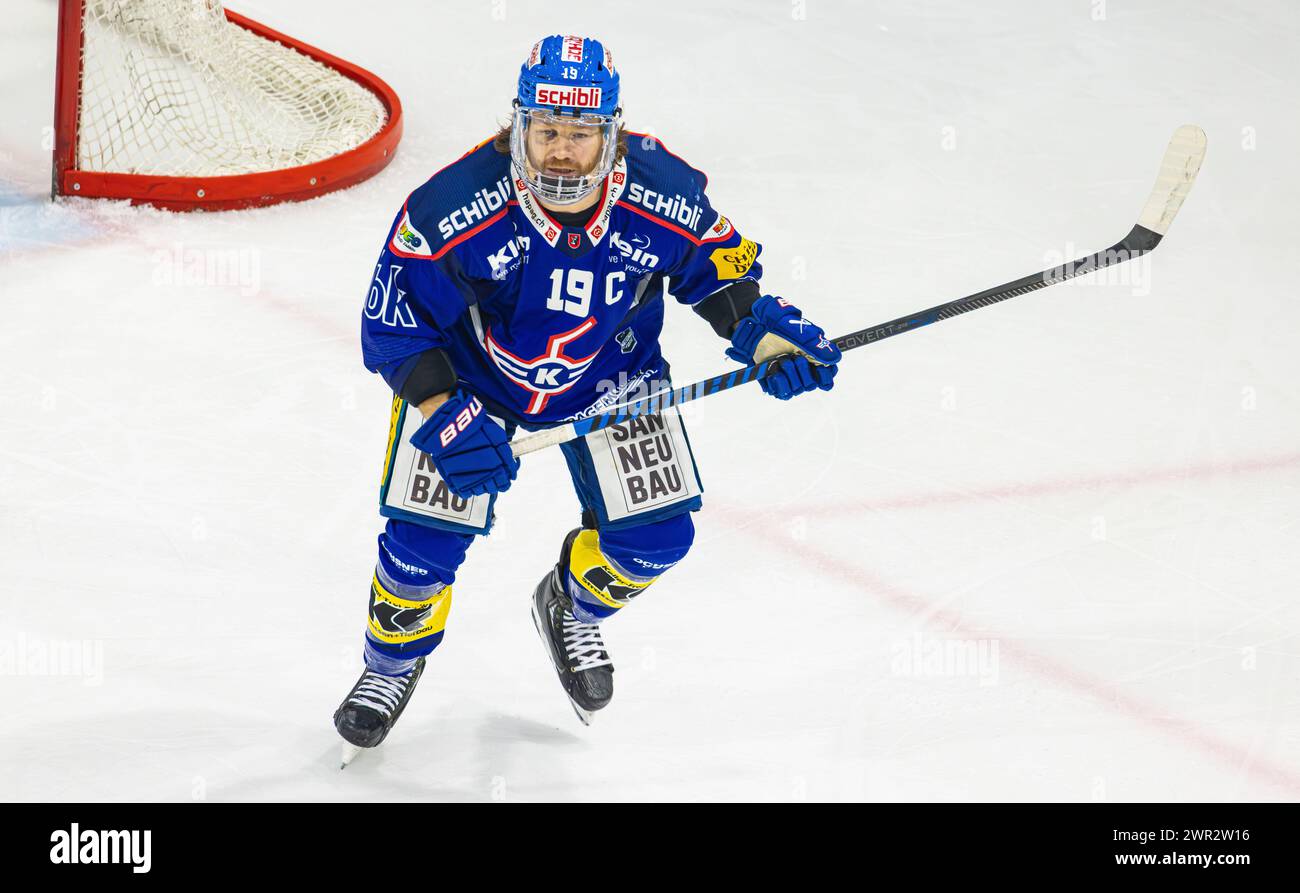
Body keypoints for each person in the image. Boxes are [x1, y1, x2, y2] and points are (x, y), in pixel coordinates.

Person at [334, 34, 841, 755]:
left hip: (614, 378)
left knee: (657, 539)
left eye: (580, 134)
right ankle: (388, 665)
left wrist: (760, 333)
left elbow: (716, 268)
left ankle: (568, 605)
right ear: (520, 127)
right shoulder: (452, 206)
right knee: (418, 554)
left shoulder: (660, 190)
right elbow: (394, 322)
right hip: (472, 385)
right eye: (547, 132)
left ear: (613, 132)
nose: (562, 152)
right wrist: (441, 411)